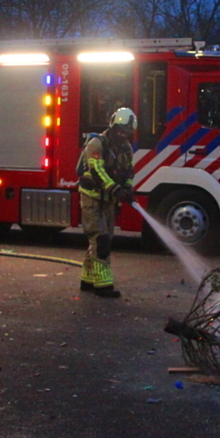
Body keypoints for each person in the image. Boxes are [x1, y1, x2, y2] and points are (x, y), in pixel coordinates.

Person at [77, 107, 136, 298]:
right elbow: (97, 170)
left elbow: (129, 170)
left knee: (104, 238)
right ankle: (103, 286)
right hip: (92, 198)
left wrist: (127, 188)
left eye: (127, 132)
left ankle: (87, 279)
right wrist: (115, 189)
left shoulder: (125, 148)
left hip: (109, 200)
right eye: (121, 130)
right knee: (101, 240)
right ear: (113, 126)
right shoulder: (96, 144)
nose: (123, 135)